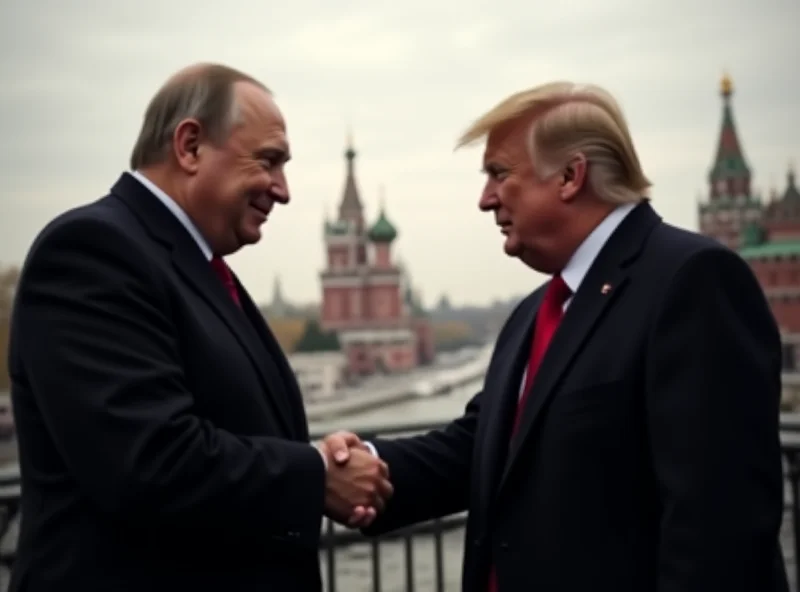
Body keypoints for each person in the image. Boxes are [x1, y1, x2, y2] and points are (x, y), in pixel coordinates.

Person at [325, 81, 789, 591]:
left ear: (571, 176)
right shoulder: (535, 312)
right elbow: (478, 450)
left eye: (499, 174)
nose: (485, 200)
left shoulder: (693, 281)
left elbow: (720, 526)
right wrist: (353, 466)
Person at [7, 63, 391, 592]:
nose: (283, 190)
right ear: (189, 146)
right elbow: (151, 463)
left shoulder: (194, 266)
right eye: (269, 161)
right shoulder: (92, 252)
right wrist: (315, 474)